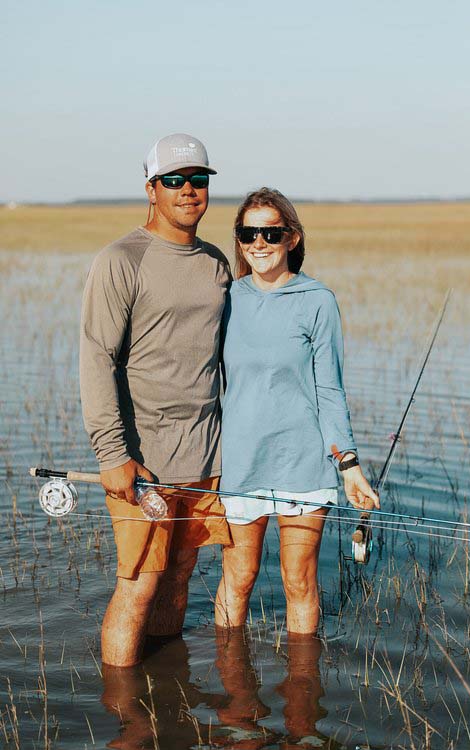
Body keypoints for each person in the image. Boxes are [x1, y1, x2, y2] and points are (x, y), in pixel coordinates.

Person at [80, 133, 231, 667]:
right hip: (143, 462)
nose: (188, 190)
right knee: (140, 585)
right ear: (151, 189)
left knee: (180, 576)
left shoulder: (216, 264)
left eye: (198, 179)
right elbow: (97, 357)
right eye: (174, 180)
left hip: (205, 457)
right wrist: (111, 454)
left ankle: (167, 689)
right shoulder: (121, 259)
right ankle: (122, 712)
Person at [215, 188, 379, 634]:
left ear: (292, 238)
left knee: (299, 580)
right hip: (241, 463)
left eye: (271, 232)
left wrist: (348, 464)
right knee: (238, 578)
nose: (259, 242)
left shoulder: (318, 300)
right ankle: (233, 696)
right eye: (249, 232)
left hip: (304, 463)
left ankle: (303, 695)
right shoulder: (226, 298)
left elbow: (330, 388)